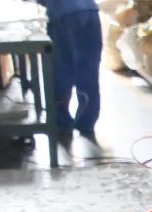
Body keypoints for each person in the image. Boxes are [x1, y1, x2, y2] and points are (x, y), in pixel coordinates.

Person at [39, 0, 102, 138]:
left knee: (62, 69)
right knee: (89, 69)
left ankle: (61, 123)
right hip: (90, 12)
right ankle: (87, 122)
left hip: (62, 14)